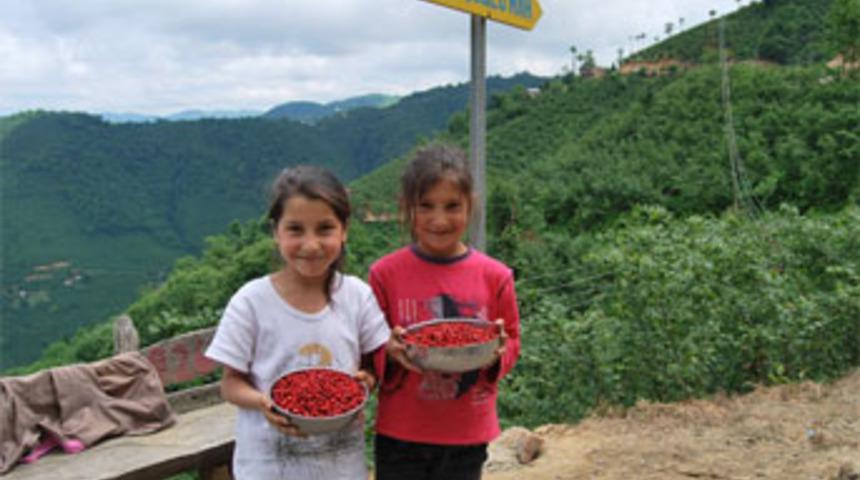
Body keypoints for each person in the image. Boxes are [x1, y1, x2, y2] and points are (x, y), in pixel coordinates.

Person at [204, 165, 390, 479]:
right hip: (268, 467)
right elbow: (230, 384)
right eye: (295, 229)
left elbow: (373, 366)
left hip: (340, 468)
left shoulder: (357, 296)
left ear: (344, 230)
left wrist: (366, 381)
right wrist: (263, 402)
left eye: (325, 229)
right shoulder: (251, 302)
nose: (311, 244)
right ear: (275, 232)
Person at [369, 143, 521, 480]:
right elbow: (370, 347)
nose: (439, 220)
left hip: (467, 432)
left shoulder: (495, 276)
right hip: (401, 432)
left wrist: (497, 352)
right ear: (408, 208)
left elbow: (511, 339)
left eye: (452, 206)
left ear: (470, 205)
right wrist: (388, 351)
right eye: (426, 206)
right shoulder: (385, 275)